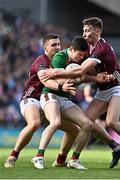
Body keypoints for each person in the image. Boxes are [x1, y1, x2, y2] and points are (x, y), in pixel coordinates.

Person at [41, 17, 120, 170]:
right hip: (103, 89)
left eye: (87, 30)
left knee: (111, 121)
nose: (84, 33)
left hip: (119, 87)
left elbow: (82, 70)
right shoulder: (88, 48)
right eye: (83, 30)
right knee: (86, 122)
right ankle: (115, 147)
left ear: (97, 31)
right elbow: (82, 72)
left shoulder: (101, 48)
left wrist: (55, 72)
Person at [31, 36, 114, 170]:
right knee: (55, 122)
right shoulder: (60, 57)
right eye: (79, 54)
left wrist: (93, 78)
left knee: (87, 124)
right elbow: (55, 79)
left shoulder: (82, 59)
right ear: (71, 49)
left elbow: (81, 76)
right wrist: (74, 78)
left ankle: (73, 160)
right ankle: (38, 156)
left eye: (83, 55)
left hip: (64, 99)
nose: (81, 57)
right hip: (50, 94)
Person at [4, 33, 80, 168]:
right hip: (32, 98)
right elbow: (46, 81)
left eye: (58, 44)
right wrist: (62, 86)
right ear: (45, 47)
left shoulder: (63, 59)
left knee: (74, 130)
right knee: (34, 123)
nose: (57, 47)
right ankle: (13, 156)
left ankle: (60, 160)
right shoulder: (41, 61)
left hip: (51, 99)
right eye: (53, 45)